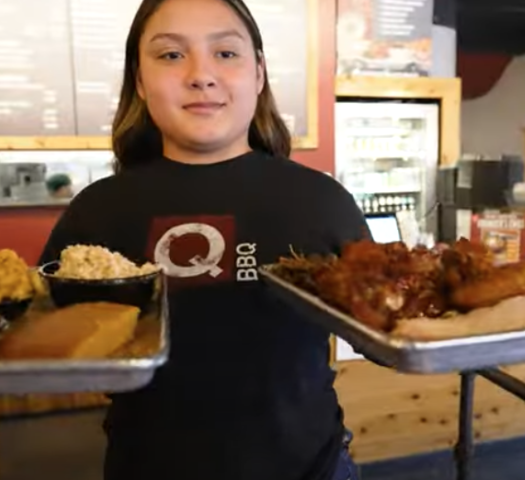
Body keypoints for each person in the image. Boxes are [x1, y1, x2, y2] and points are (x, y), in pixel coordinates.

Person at [38, 0, 369, 478]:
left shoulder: (321, 199)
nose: (201, 75)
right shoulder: (97, 210)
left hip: (309, 469)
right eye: (171, 55)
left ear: (258, 73)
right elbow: (45, 332)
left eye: (226, 54)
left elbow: (384, 323)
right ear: (139, 80)